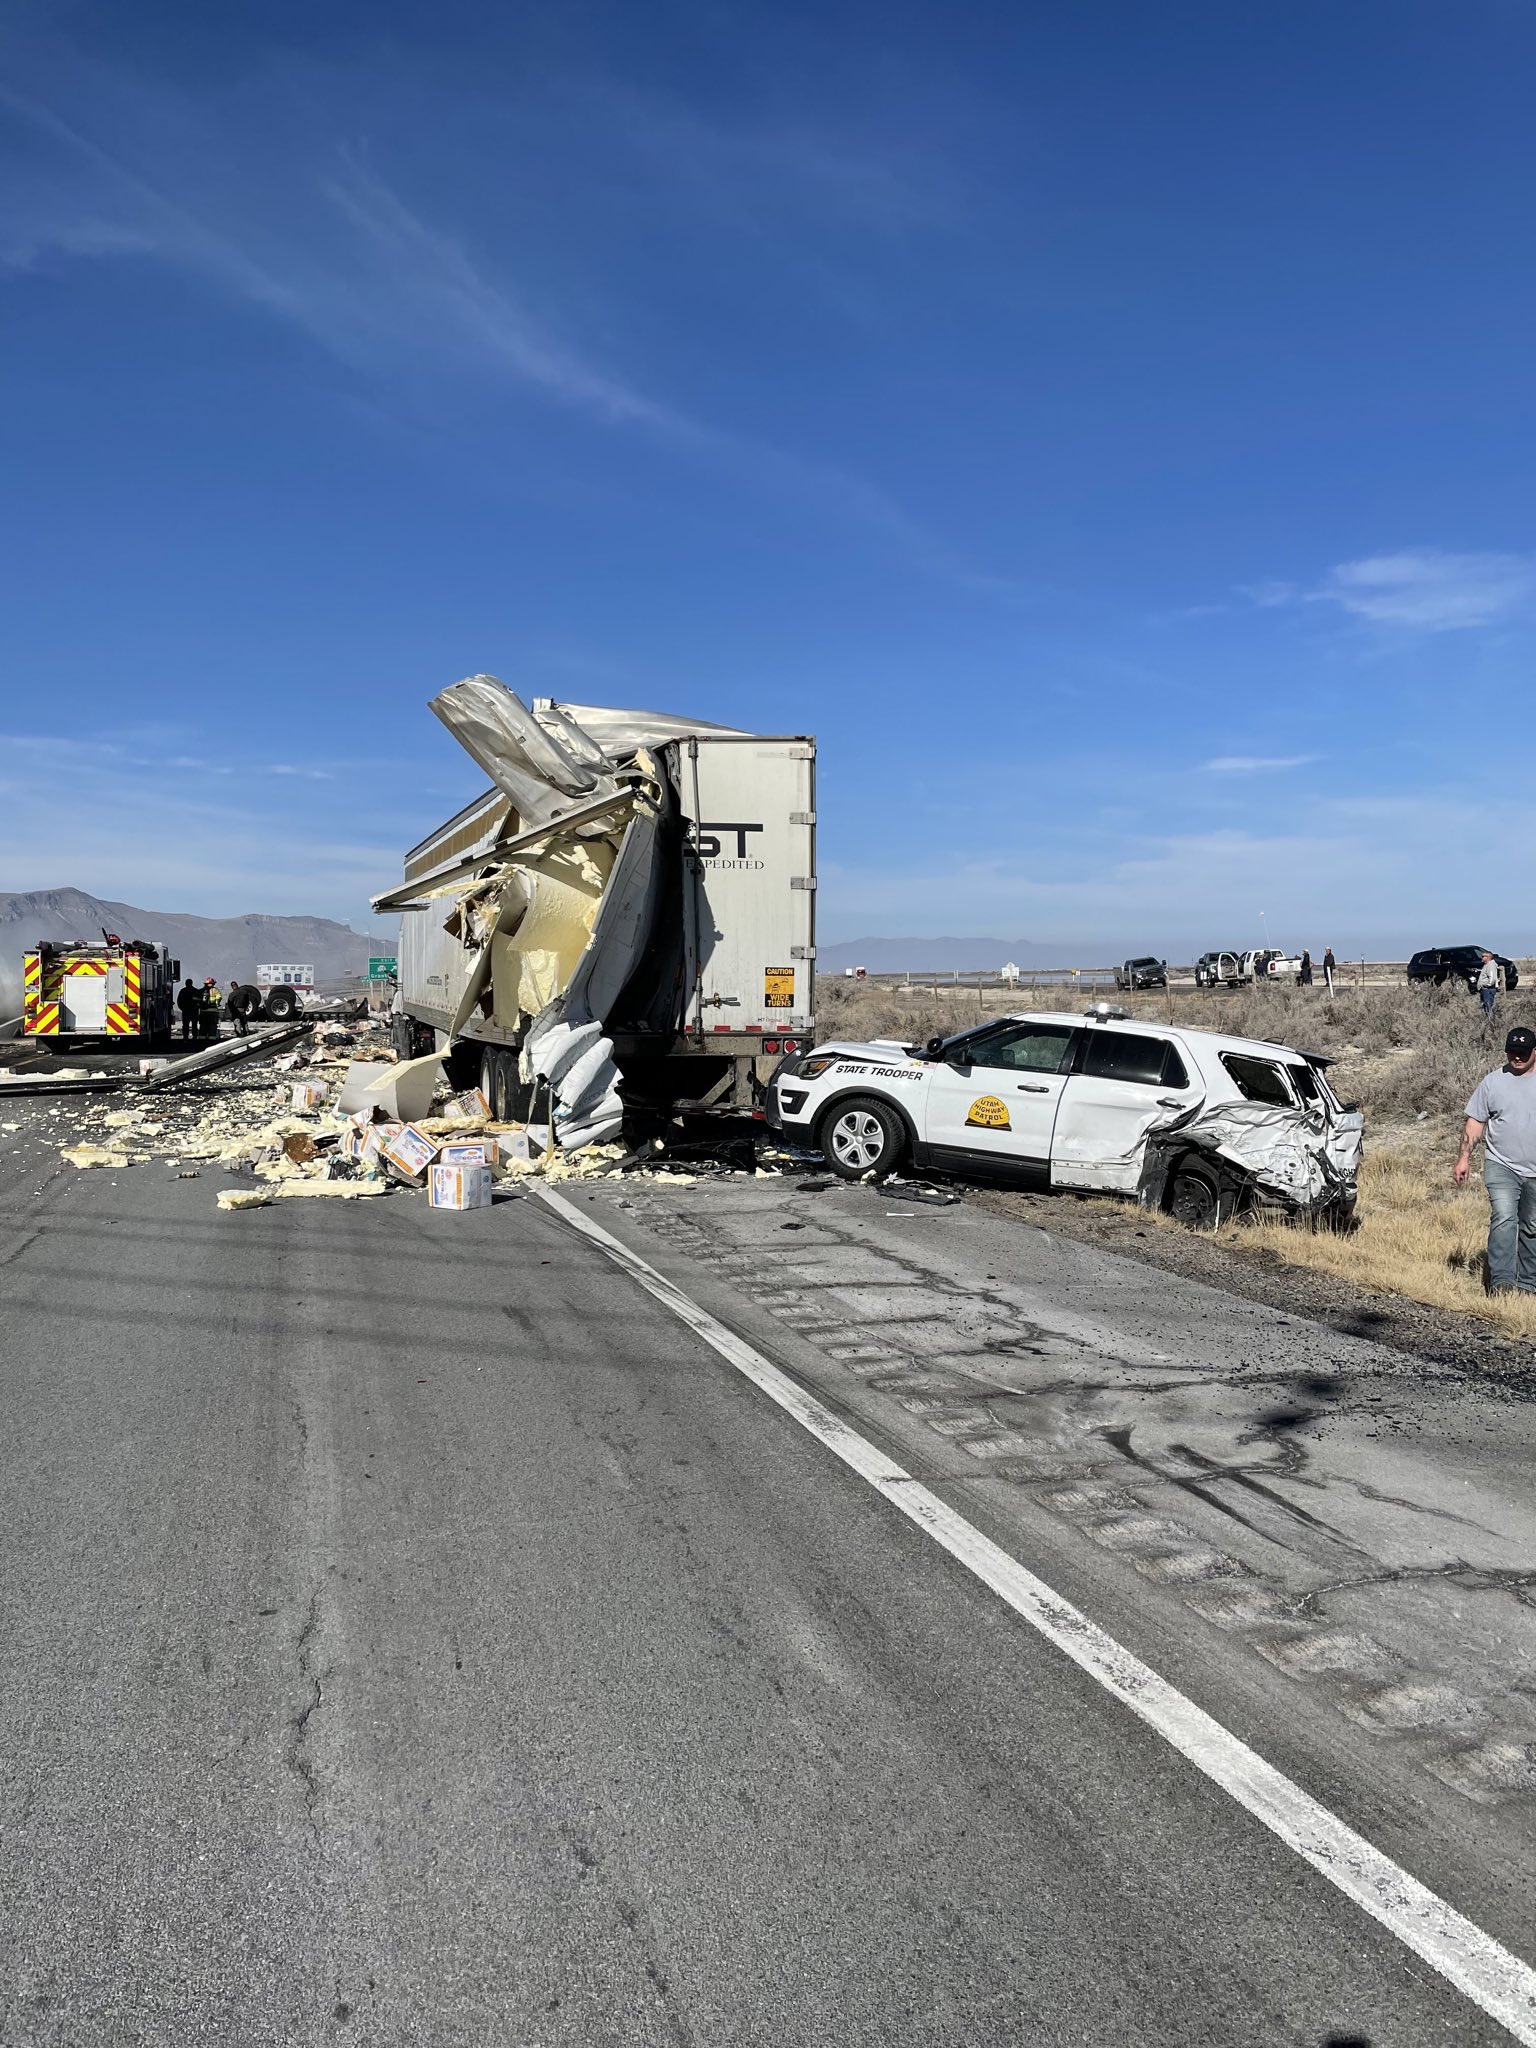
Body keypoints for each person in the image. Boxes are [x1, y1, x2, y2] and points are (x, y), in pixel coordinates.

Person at [1456, 1025, 1536, 1292]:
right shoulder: (1493, 1082)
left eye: (1523, 1052)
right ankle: (1502, 1281)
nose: (1517, 1057)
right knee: (1503, 1217)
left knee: (1532, 1225)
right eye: (1512, 1052)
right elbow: (1475, 1122)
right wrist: (1464, 1158)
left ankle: (1528, 1284)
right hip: (1501, 1163)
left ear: (1535, 1051)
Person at [1477, 950, 1500, 1023]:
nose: (1482, 958)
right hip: (1485, 989)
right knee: (1485, 1007)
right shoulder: (1487, 965)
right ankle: (1487, 1021)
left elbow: (1492, 978)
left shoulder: (1491, 965)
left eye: (1483, 956)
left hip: (1488, 989)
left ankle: (1491, 1023)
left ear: (1488, 957)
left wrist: (1487, 985)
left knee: (1489, 1007)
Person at [176, 976, 199, 1042]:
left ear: (186, 983)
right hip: (194, 1011)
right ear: (192, 983)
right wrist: (197, 1008)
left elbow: (179, 1001)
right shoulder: (196, 991)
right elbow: (199, 1001)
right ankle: (195, 1037)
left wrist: (182, 1008)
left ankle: (185, 1037)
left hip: (186, 1011)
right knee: (194, 1025)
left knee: (185, 1025)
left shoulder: (183, 991)